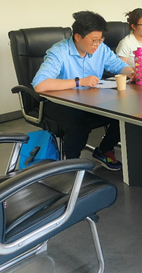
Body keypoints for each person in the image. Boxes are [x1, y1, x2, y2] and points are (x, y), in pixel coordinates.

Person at [32, 11, 135, 171]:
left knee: (126, 112)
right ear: (78, 37)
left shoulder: (100, 49)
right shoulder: (59, 52)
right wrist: (78, 82)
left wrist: (132, 73)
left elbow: (118, 65)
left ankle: (104, 150)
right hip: (59, 104)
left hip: (90, 100)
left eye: (100, 39)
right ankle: (72, 165)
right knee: (78, 127)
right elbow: (40, 84)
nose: (97, 44)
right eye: (94, 40)